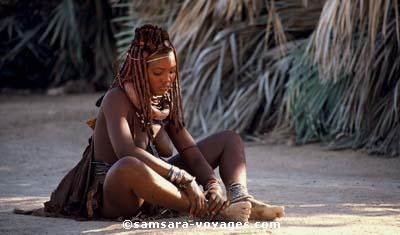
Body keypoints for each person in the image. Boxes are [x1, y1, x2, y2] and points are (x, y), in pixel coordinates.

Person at [39, 24, 285, 222]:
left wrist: (212, 184)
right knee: (127, 165)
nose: (168, 79)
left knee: (230, 139)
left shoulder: (164, 101)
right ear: (139, 72)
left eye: (172, 72)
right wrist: (184, 179)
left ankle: (239, 197)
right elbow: (126, 151)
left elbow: (189, 151)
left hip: (158, 185)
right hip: (116, 192)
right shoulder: (116, 99)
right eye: (158, 73)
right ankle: (212, 212)